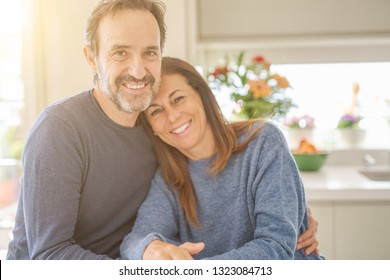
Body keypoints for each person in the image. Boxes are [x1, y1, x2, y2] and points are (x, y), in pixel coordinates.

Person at [6, 0, 318, 260]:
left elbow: (233, 178)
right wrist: (147, 261)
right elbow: (48, 256)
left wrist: (291, 213)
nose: (138, 69)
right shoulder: (59, 129)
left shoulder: (158, 131)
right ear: (91, 58)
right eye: (120, 52)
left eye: (150, 52)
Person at [120, 57, 324, 260]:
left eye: (178, 99)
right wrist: (149, 247)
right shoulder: (169, 178)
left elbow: (276, 248)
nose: (172, 117)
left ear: (202, 95)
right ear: (152, 129)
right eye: (156, 111)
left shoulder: (263, 141)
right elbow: (135, 240)